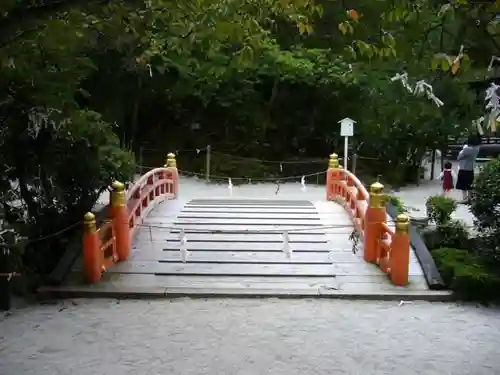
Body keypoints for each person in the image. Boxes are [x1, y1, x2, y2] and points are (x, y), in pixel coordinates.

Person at [456, 134, 481, 202]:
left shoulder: (467, 149)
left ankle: (464, 198)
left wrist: (462, 151)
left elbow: (459, 157)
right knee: (469, 184)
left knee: (462, 185)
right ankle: (469, 198)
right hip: (470, 168)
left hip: (463, 168)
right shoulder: (476, 149)